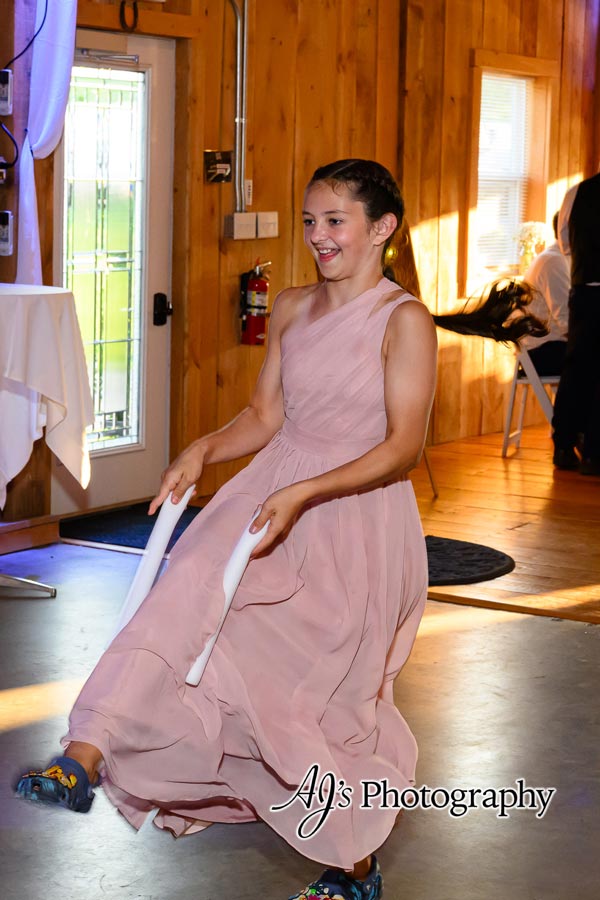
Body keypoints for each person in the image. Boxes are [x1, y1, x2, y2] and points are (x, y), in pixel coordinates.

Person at [16, 159, 438, 900]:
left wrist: (308, 492)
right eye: (309, 221)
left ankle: (353, 866)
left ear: (383, 229)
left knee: (314, 701)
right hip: (268, 497)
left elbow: (404, 446)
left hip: (355, 520)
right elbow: (267, 416)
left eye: (334, 221)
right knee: (180, 601)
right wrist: (203, 450)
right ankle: (84, 755)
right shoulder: (293, 307)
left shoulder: (404, 321)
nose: (317, 235)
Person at [553, 172, 600, 473]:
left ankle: (563, 445)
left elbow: (565, 243)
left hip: (584, 291)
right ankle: (594, 454)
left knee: (576, 369)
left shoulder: (576, 192)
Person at [520, 212, 569, 376]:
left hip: (548, 346)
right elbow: (565, 321)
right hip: (543, 351)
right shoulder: (554, 262)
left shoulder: (559, 258)